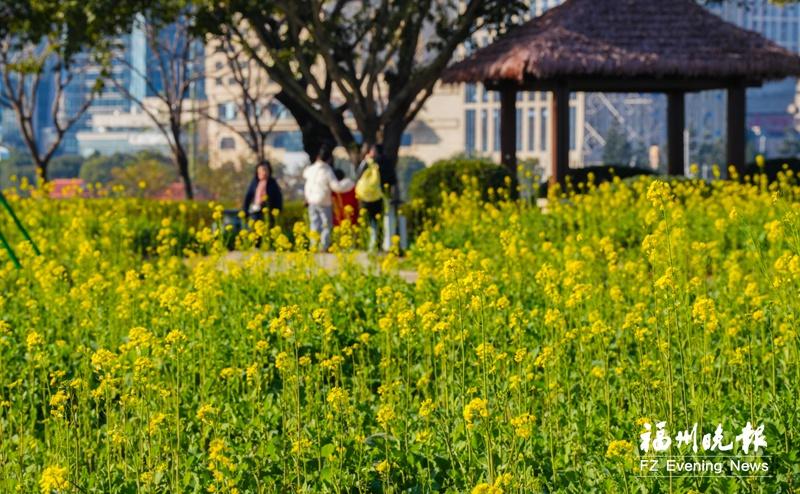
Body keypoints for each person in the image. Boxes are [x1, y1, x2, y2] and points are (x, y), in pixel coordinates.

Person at [303, 145, 354, 252]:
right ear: (329, 159)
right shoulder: (327, 170)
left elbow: (306, 178)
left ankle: (313, 246)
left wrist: (307, 197)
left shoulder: (311, 169)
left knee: (314, 224)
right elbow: (336, 186)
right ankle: (324, 246)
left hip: (311, 200)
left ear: (317, 157)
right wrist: (349, 183)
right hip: (323, 200)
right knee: (326, 224)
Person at [355, 144, 397, 251]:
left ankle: (364, 244)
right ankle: (378, 245)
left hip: (365, 197)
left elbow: (358, 176)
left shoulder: (368, 162)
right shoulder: (387, 163)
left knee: (365, 221)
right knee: (379, 222)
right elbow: (392, 180)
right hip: (380, 196)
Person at [242, 161, 283, 227]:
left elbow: (278, 199)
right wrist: (245, 211)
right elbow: (248, 197)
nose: (262, 173)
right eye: (260, 171)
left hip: (268, 214)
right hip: (254, 212)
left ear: (269, 171)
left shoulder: (273, 183)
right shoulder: (255, 182)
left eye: (264, 170)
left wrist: (276, 212)